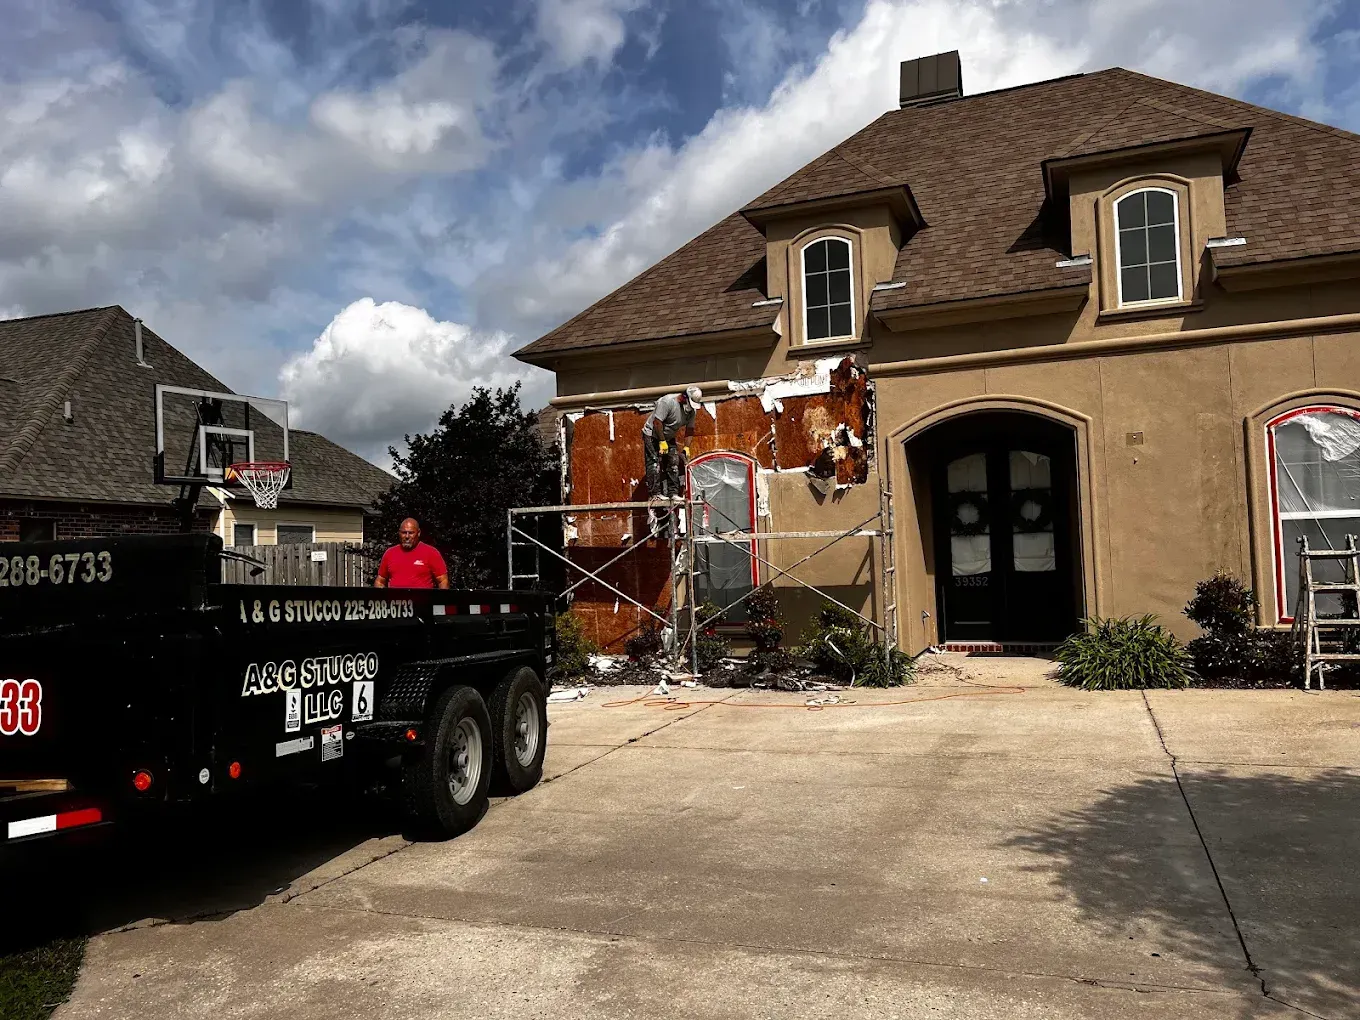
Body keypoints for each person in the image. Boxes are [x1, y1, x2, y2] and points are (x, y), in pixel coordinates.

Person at [642, 386, 702, 497]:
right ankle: (655, 495)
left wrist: (686, 447)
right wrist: (662, 441)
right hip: (653, 434)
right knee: (654, 463)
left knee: (673, 462)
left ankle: (673, 493)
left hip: (669, 436)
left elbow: (690, 429)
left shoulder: (691, 411)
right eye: (690, 403)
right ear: (684, 397)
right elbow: (657, 422)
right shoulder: (667, 402)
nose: (690, 407)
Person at [375, 518, 450, 589]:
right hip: (396, 601)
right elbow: (380, 580)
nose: (407, 536)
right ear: (399, 533)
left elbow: (442, 580)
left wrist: (443, 600)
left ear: (418, 533)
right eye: (404, 533)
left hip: (422, 601)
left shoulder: (431, 553)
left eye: (411, 533)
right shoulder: (390, 553)